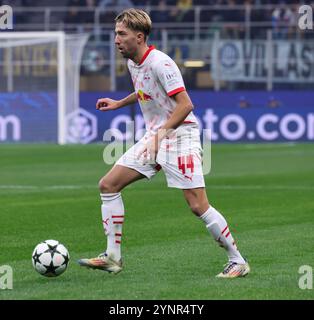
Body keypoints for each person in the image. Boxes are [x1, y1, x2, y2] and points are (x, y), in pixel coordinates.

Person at [78, 8, 250, 278]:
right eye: (115, 34)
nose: (116, 40)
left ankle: (237, 260)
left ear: (139, 36)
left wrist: (159, 136)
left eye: (121, 34)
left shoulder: (161, 62)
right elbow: (145, 89)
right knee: (108, 185)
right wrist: (119, 103)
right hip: (156, 137)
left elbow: (185, 105)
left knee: (197, 205)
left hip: (180, 136)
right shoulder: (134, 62)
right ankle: (112, 257)